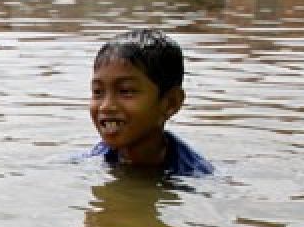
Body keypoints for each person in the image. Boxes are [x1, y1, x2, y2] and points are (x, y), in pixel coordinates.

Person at [84, 29, 213, 176]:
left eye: (126, 91)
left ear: (171, 103)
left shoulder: (196, 177)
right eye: (98, 92)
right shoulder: (90, 160)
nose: (106, 106)